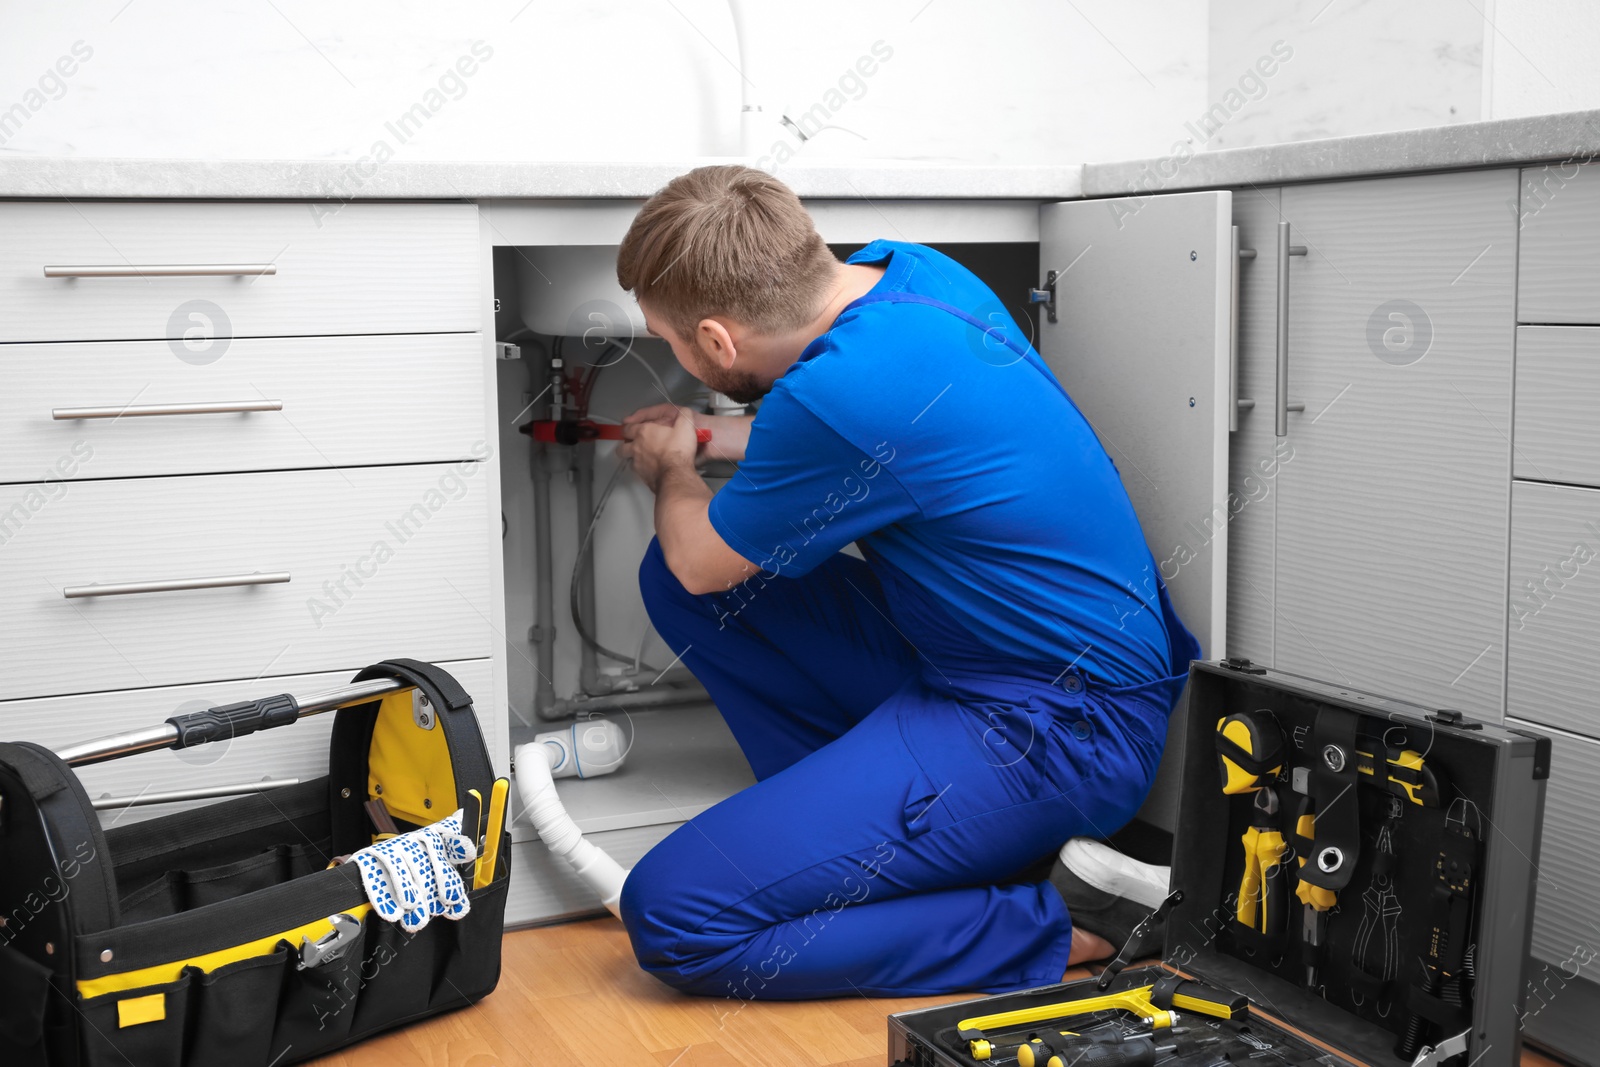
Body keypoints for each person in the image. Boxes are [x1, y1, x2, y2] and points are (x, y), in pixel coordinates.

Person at [613, 164, 1199, 999]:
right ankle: (872, 851)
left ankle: (1065, 925)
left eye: (668, 341)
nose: (673, 356)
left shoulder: (831, 396)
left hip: (1057, 732)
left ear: (715, 341)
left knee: (674, 915)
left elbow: (703, 551)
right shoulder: (914, 276)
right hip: (1012, 672)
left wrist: (674, 470)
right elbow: (856, 439)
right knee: (691, 591)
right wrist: (708, 433)